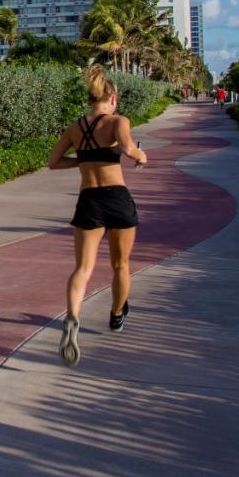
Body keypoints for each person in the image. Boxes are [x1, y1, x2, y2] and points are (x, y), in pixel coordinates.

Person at [47, 65, 148, 366]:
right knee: (121, 264)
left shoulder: (74, 127)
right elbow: (128, 148)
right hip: (117, 197)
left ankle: (73, 316)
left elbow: (53, 163)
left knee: (83, 268)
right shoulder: (119, 121)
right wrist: (141, 156)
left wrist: (83, 161)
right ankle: (117, 315)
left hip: (88, 199)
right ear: (112, 98)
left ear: (92, 99)